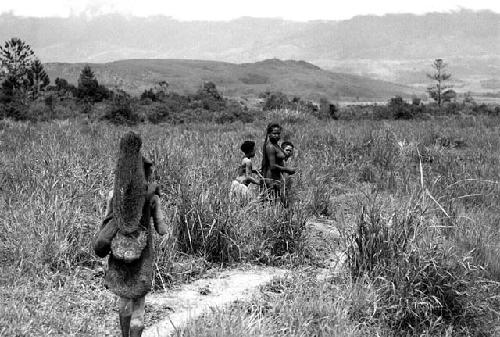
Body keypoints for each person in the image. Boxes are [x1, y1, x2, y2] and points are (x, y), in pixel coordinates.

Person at [94, 132, 169, 337]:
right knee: (139, 306)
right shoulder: (152, 198)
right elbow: (162, 229)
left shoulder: (114, 196)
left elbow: (106, 224)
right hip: (143, 256)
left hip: (119, 257)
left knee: (124, 301)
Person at [260, 123, 296, 204]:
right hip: (270, 179)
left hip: (277, 178)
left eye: (278, 133)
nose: (277, 136)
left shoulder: (275, 144)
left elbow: (280, 157)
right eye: (274, 133)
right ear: (269, 134)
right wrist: (287, 170)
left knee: (280, 202)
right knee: (271, 203)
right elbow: (272, 166)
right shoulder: (270, 147)